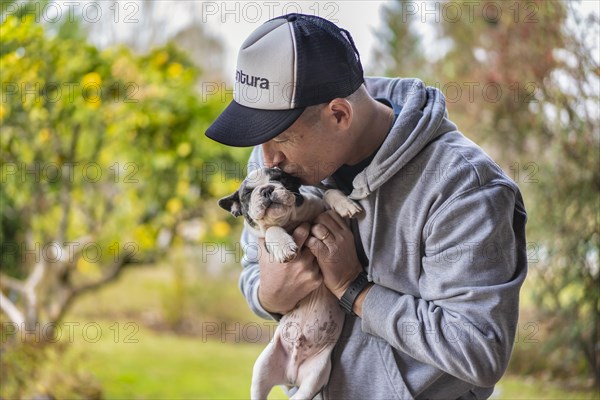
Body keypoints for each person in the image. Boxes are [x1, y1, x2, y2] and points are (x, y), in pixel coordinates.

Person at [205, 13, 527, 400]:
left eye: (281, 139)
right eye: (259, 140)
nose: (266, 159)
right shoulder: (275, 171)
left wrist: (354, 289)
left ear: (339, 114)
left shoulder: (464, 186)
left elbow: (477, 349)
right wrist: (268, 295)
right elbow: (254, 274)